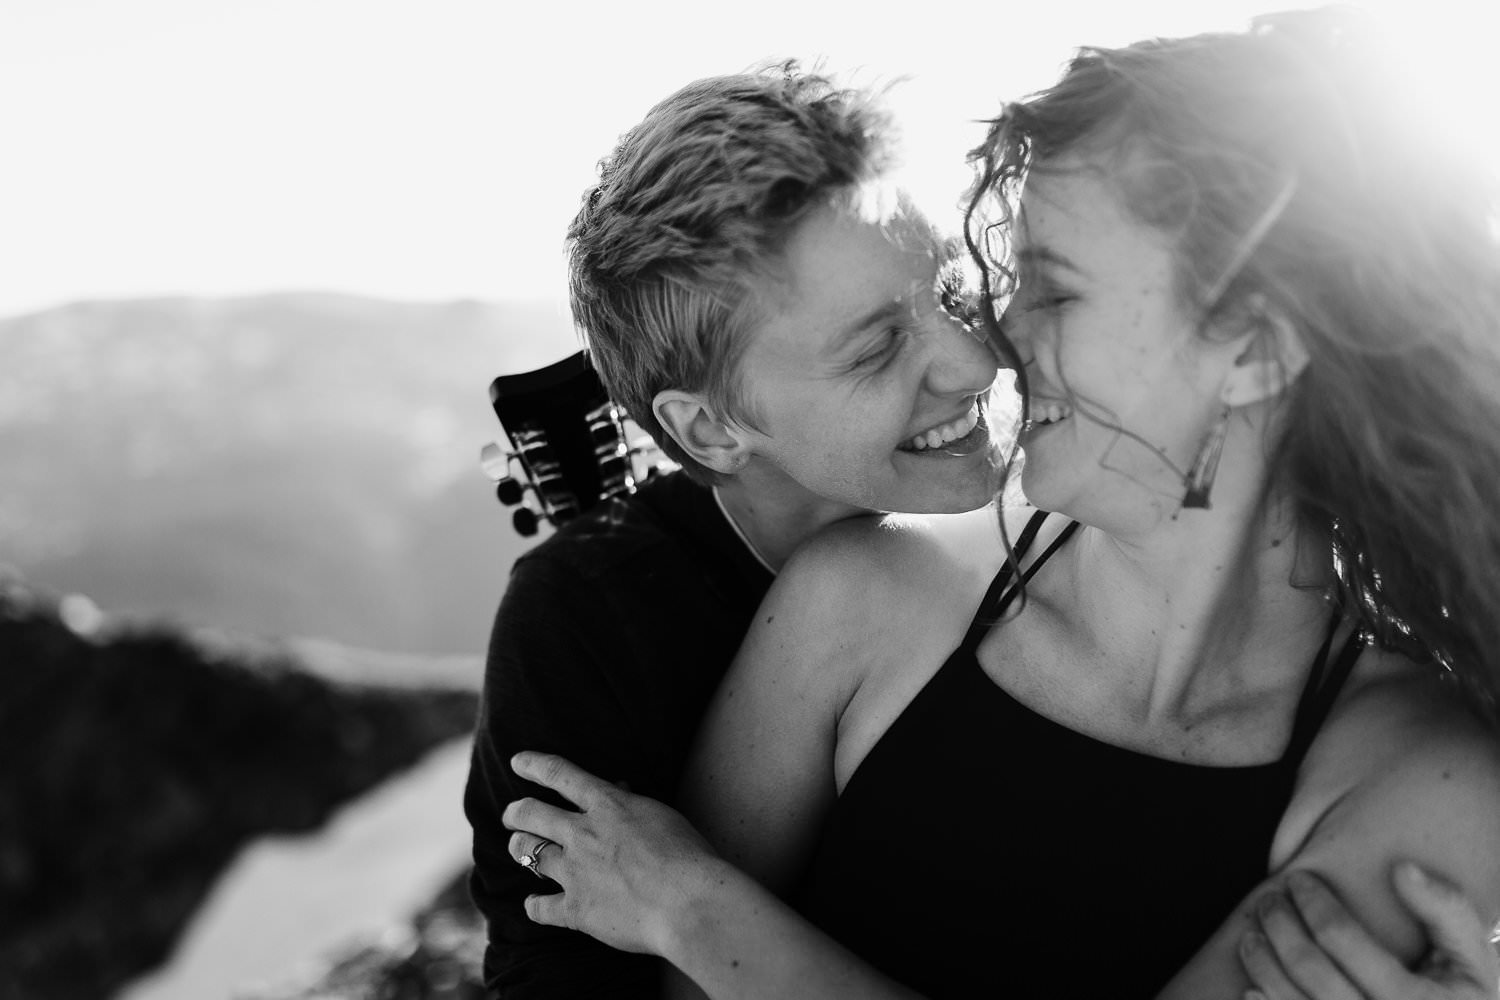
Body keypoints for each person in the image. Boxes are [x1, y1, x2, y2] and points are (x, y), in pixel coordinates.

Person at [500, 9, 1500, 999]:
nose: (995, 347)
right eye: (879, 342)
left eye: (1055, 291)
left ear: (1257, 347)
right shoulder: (858, 596)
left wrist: (698, 909)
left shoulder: (1427, 776)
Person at [462, 64, 1004, 998]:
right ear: (710, 431)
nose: (975, 361)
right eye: (876, 348)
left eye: (949, 292)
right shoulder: (591, 617)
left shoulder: (1072, 505)